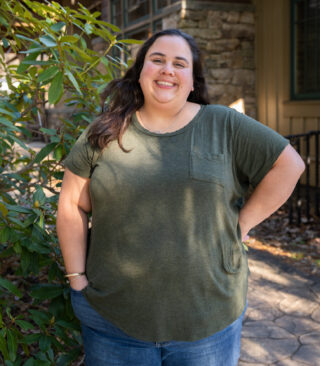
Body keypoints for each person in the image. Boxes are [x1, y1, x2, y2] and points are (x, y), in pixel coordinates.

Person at [56, 29, 305, 366]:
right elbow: (72, 204)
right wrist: (77, 280)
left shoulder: (223, 125)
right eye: (156, 60)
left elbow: (289, 164)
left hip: (209, 323)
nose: (167, 69)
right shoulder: (104, 133)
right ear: (140, 71)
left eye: (179, 63)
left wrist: (242, 223)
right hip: (113, 321)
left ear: (192, 80)